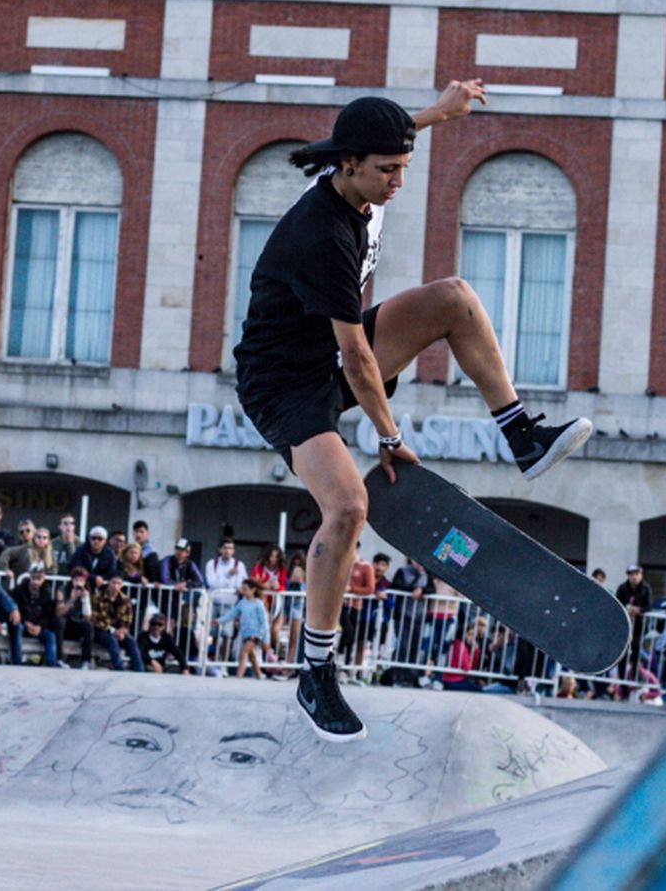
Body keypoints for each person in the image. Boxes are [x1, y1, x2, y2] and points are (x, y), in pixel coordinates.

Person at [231, 87, 593, 740]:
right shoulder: (323, 237)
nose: (398, 182)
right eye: (387, 171)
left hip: (324, 357)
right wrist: (390, 438)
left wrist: (439, 112)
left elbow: (385, 133)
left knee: (453, 298)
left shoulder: (354, 167)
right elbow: (358, 361)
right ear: (347, 166)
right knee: (346, 508)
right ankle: (316, 673)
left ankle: (523, 436)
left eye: (404, 166)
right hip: (282, 383)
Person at [90, 574, 143, 671]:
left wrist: (122, 631)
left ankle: (139, 670)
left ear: (122, 585)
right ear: (109, 583)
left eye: (118, 583)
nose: (115, 586)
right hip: (101, 630)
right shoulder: (98, 597)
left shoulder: (125, 599)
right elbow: (96, 619)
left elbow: (128, 620)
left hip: (119, 631)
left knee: (131, 641)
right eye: (113, 583)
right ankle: (120, 669)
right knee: (112, 641)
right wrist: (113, 631)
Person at [11, 564, 60, 667]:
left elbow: (50, 616)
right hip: (23, 624)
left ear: (43, 578)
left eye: (39, 578)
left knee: (50, 635)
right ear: (29, 576)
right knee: (17, 627)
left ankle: (52, 664)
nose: (36, 582)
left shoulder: (47, 593)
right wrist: (25, 622)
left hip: (38, 626)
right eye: (33, 578)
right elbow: (15, 609)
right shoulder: (19, 591)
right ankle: (17, 662)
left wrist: (40, 626)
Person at [222, 579, 270, 680]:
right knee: (251, 655)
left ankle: (239, 676)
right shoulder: (242, 603)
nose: (243, 591)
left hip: (255, 634)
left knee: (243, 652)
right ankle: (259, 675)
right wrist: (218, 620)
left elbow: (264, 623)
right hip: (245, 633)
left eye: (245, 589)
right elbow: (232, 614)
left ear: (253, 590)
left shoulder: (258, 604)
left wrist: (266, 639)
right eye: (242, 589)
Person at [615, 564, 653, 686]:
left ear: (641, 575)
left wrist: (639, 610)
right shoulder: (622, 588)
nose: (634, 577)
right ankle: (622, 682)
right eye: (631, 574)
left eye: (636, 574)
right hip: (625, 627)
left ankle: (634, 679)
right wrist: (627, 608)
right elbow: (617, 603)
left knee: (636, 651)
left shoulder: (646, 588)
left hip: (639, 627)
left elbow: (649, 606)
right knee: (622, 653)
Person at [56, 566, 97, 669]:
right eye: (76, 580)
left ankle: (86, 661)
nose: (78, 583)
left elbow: (87, 617)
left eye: (81, 580)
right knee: (60, 622)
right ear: (72, 580)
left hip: (76, 623)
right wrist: (71, 600)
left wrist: (85, 600)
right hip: (64, 624)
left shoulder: (87, 591)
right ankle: (59, 659)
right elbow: (59, 613)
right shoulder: (62, 590)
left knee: (88, 625)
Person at [441, 618, 488, 692]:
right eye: (470, 634)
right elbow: (467, 668)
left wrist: (475, 651)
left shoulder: (456, 643)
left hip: (452, 680)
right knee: (481, 690)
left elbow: (472, 667)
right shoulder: (461, 646)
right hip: (454, 681)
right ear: (463, 634)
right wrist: (475, 650)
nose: (472, 638)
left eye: (473, 635)